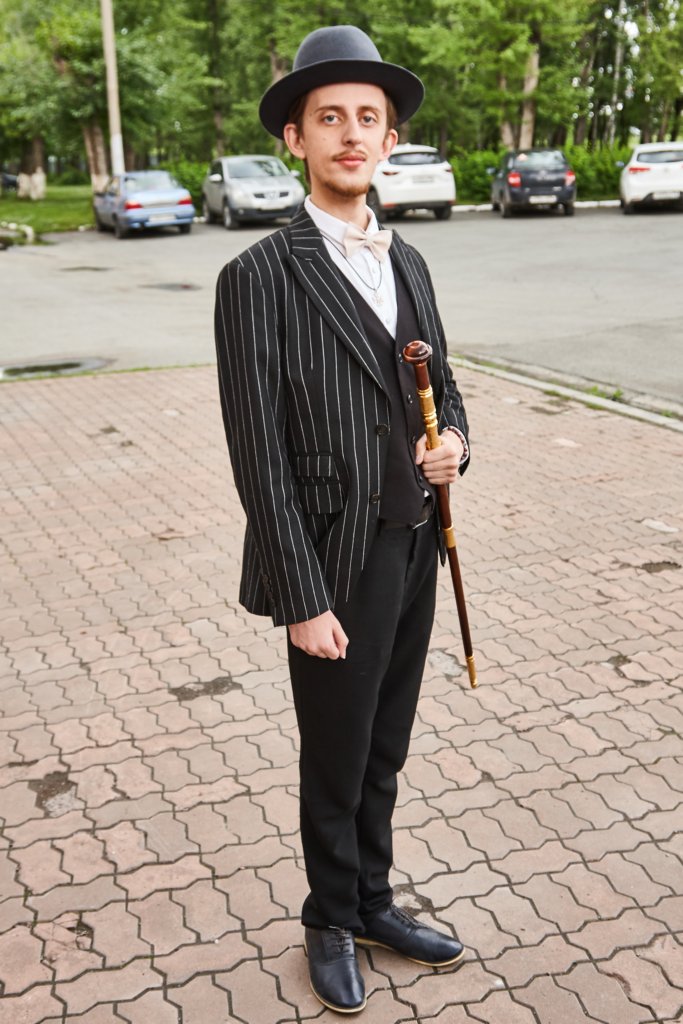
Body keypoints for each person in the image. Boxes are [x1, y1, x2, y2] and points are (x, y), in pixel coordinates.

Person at [214, 25, 470, 1015]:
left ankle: (372, 902)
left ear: (389, 139)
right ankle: (327, 917)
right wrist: (300, 596)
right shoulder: (258, 277)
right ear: (295, 138)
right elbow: (258, 454)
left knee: (384, 745)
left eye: (369, 118)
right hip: (329, 560)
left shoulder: (411, 263)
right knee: (335, 753)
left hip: (411, 545)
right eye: (329, 118)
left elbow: (444, 391)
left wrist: (454, 446)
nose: (351, 133)